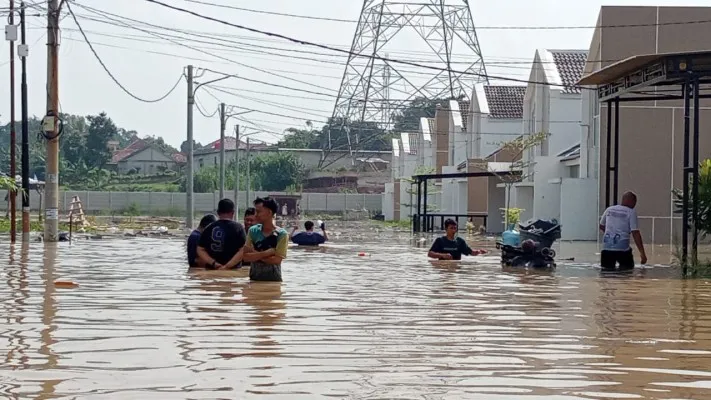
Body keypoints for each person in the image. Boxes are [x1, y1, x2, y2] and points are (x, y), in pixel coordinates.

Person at [599, 191, 648, 271]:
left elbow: (601, 225)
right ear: (632, 201)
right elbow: (635, 233)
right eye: (635, 202)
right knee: (627, 272)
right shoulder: (631, 212)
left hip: (607, 248)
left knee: (606, 273)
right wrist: (642, 254)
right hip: (623, 249)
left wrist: (611, 235)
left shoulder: (609, 209)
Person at [244, 196, 288, 281]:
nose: (255, 215)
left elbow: (277, 260)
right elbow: (246, 257)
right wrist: (267, 253)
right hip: (254, 279)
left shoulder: (282, 234)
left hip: (274, 281)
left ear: (269, 212)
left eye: (258, 211)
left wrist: (254, 253)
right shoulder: (253, 231)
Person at [196, 198, 247, 270]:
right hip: (232, 271)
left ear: (218, 212)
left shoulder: (208, 228)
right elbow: (243, 250)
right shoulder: (238, 228)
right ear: (233, 212)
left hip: (212, 270)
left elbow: (200, 249)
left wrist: (214, 263)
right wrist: (227, 266)